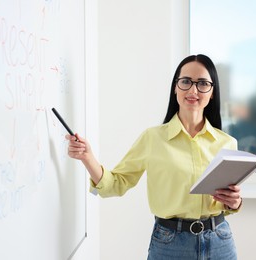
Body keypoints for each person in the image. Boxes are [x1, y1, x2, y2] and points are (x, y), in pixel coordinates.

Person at [66, 54, 242, 259]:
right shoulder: (153, 139)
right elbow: (116, 183)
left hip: (220, 242)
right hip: (170, 245)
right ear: (175, 87)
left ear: (212, 92)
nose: (193, 90)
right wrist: (88, 157)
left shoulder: (227, 143)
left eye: (202, 83)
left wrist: (235, 202)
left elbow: (228, 203)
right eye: (185, 82)